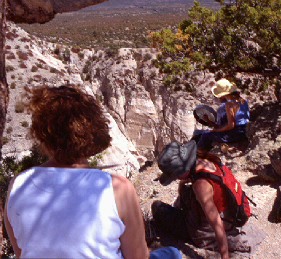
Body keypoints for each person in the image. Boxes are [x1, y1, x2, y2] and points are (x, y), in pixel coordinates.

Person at [4, 85, 181, 259]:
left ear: (41, 135)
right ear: (91, 132)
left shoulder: (18, 185)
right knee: (172, 253)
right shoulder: (117, 188)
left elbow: (22, 252)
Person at [152, 140, 250, 259]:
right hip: (228, 214)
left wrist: (225, 256)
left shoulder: (201, 185)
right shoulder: (205, 160)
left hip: (206, 231)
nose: (177, 178)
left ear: (184, 170)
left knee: (157, 208)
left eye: (176, 175)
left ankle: (193, 232)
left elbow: (216, 224)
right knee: (185, 190)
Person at [196, 78, 250, 153]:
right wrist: (210, 122)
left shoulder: (229, 105)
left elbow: (231, 125)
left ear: (223, 94)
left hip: (236, 134)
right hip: (246, 131)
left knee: (206, 135)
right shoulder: (243, 100)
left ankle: (199, 155)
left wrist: (216, 130)